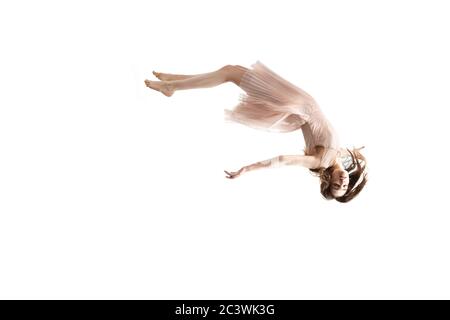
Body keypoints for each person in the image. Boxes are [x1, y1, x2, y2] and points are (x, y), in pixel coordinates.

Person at [145, 60, 368, 202]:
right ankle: (175, 80)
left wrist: (247, 169)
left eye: (336, 186)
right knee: (231, 70)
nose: (342, 181)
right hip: (296, 102)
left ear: (326, 180)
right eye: (345, 184)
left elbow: (283, 160)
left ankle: (171, 87)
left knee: (230, 73)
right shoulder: (337, 155)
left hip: (292, 102)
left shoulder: (321, 160)